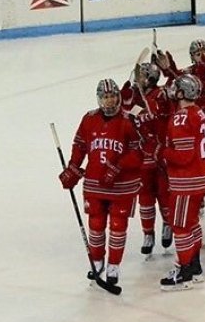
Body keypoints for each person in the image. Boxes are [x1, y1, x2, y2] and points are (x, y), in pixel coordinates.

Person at [58, 79, 143, 287]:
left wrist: (117, 167)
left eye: (112, 95)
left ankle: (114, 265)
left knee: (117, 226)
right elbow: (80, 145)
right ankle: (97, 261)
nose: (109, 100)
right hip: (95, 183)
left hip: (122, 186)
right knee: (95, 225)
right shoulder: (89, 119)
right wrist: (73, 169)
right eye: (105, 97)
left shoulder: (128, 120)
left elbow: (139, 152)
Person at [159, 74, 205, 291]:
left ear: (182, 93)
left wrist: (162, 152)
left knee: (180, 226)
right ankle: (195, 266)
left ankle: (185, 272)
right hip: (202, 177)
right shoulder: (198, 112)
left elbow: (183, 155)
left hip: (187, 181)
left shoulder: (181, 118)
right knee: (191, 223)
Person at [123, 62, 173, 258]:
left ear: (151, 79)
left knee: (164, 195)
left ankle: (168, 225)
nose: (137, 80)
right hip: (142, 157)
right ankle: (148, 233)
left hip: (160, 155)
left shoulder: (161, 94)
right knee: (145, 198)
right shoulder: (135, 98)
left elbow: (169, 111)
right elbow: (124, 113)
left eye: (141, 76)